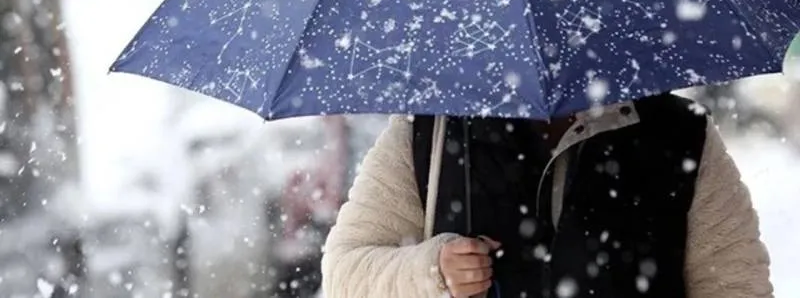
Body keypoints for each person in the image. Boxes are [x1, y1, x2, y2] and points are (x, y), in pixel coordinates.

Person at [321, 94, 772, 298]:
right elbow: (345, 272)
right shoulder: (431, 132)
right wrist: (432, 273)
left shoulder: (678, 135)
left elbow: (736, 287)